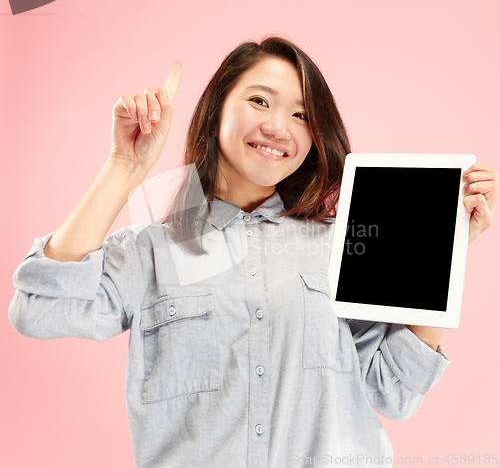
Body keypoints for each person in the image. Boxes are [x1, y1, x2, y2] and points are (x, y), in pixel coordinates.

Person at [8, 37, 497, 468]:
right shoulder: (149, 252)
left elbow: (394, 391)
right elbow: (41, 310)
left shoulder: (344, 242)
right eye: (260, 101)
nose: (279, 127)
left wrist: (443, 253)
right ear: (218, 108)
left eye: (302, 114)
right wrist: (124, 165)